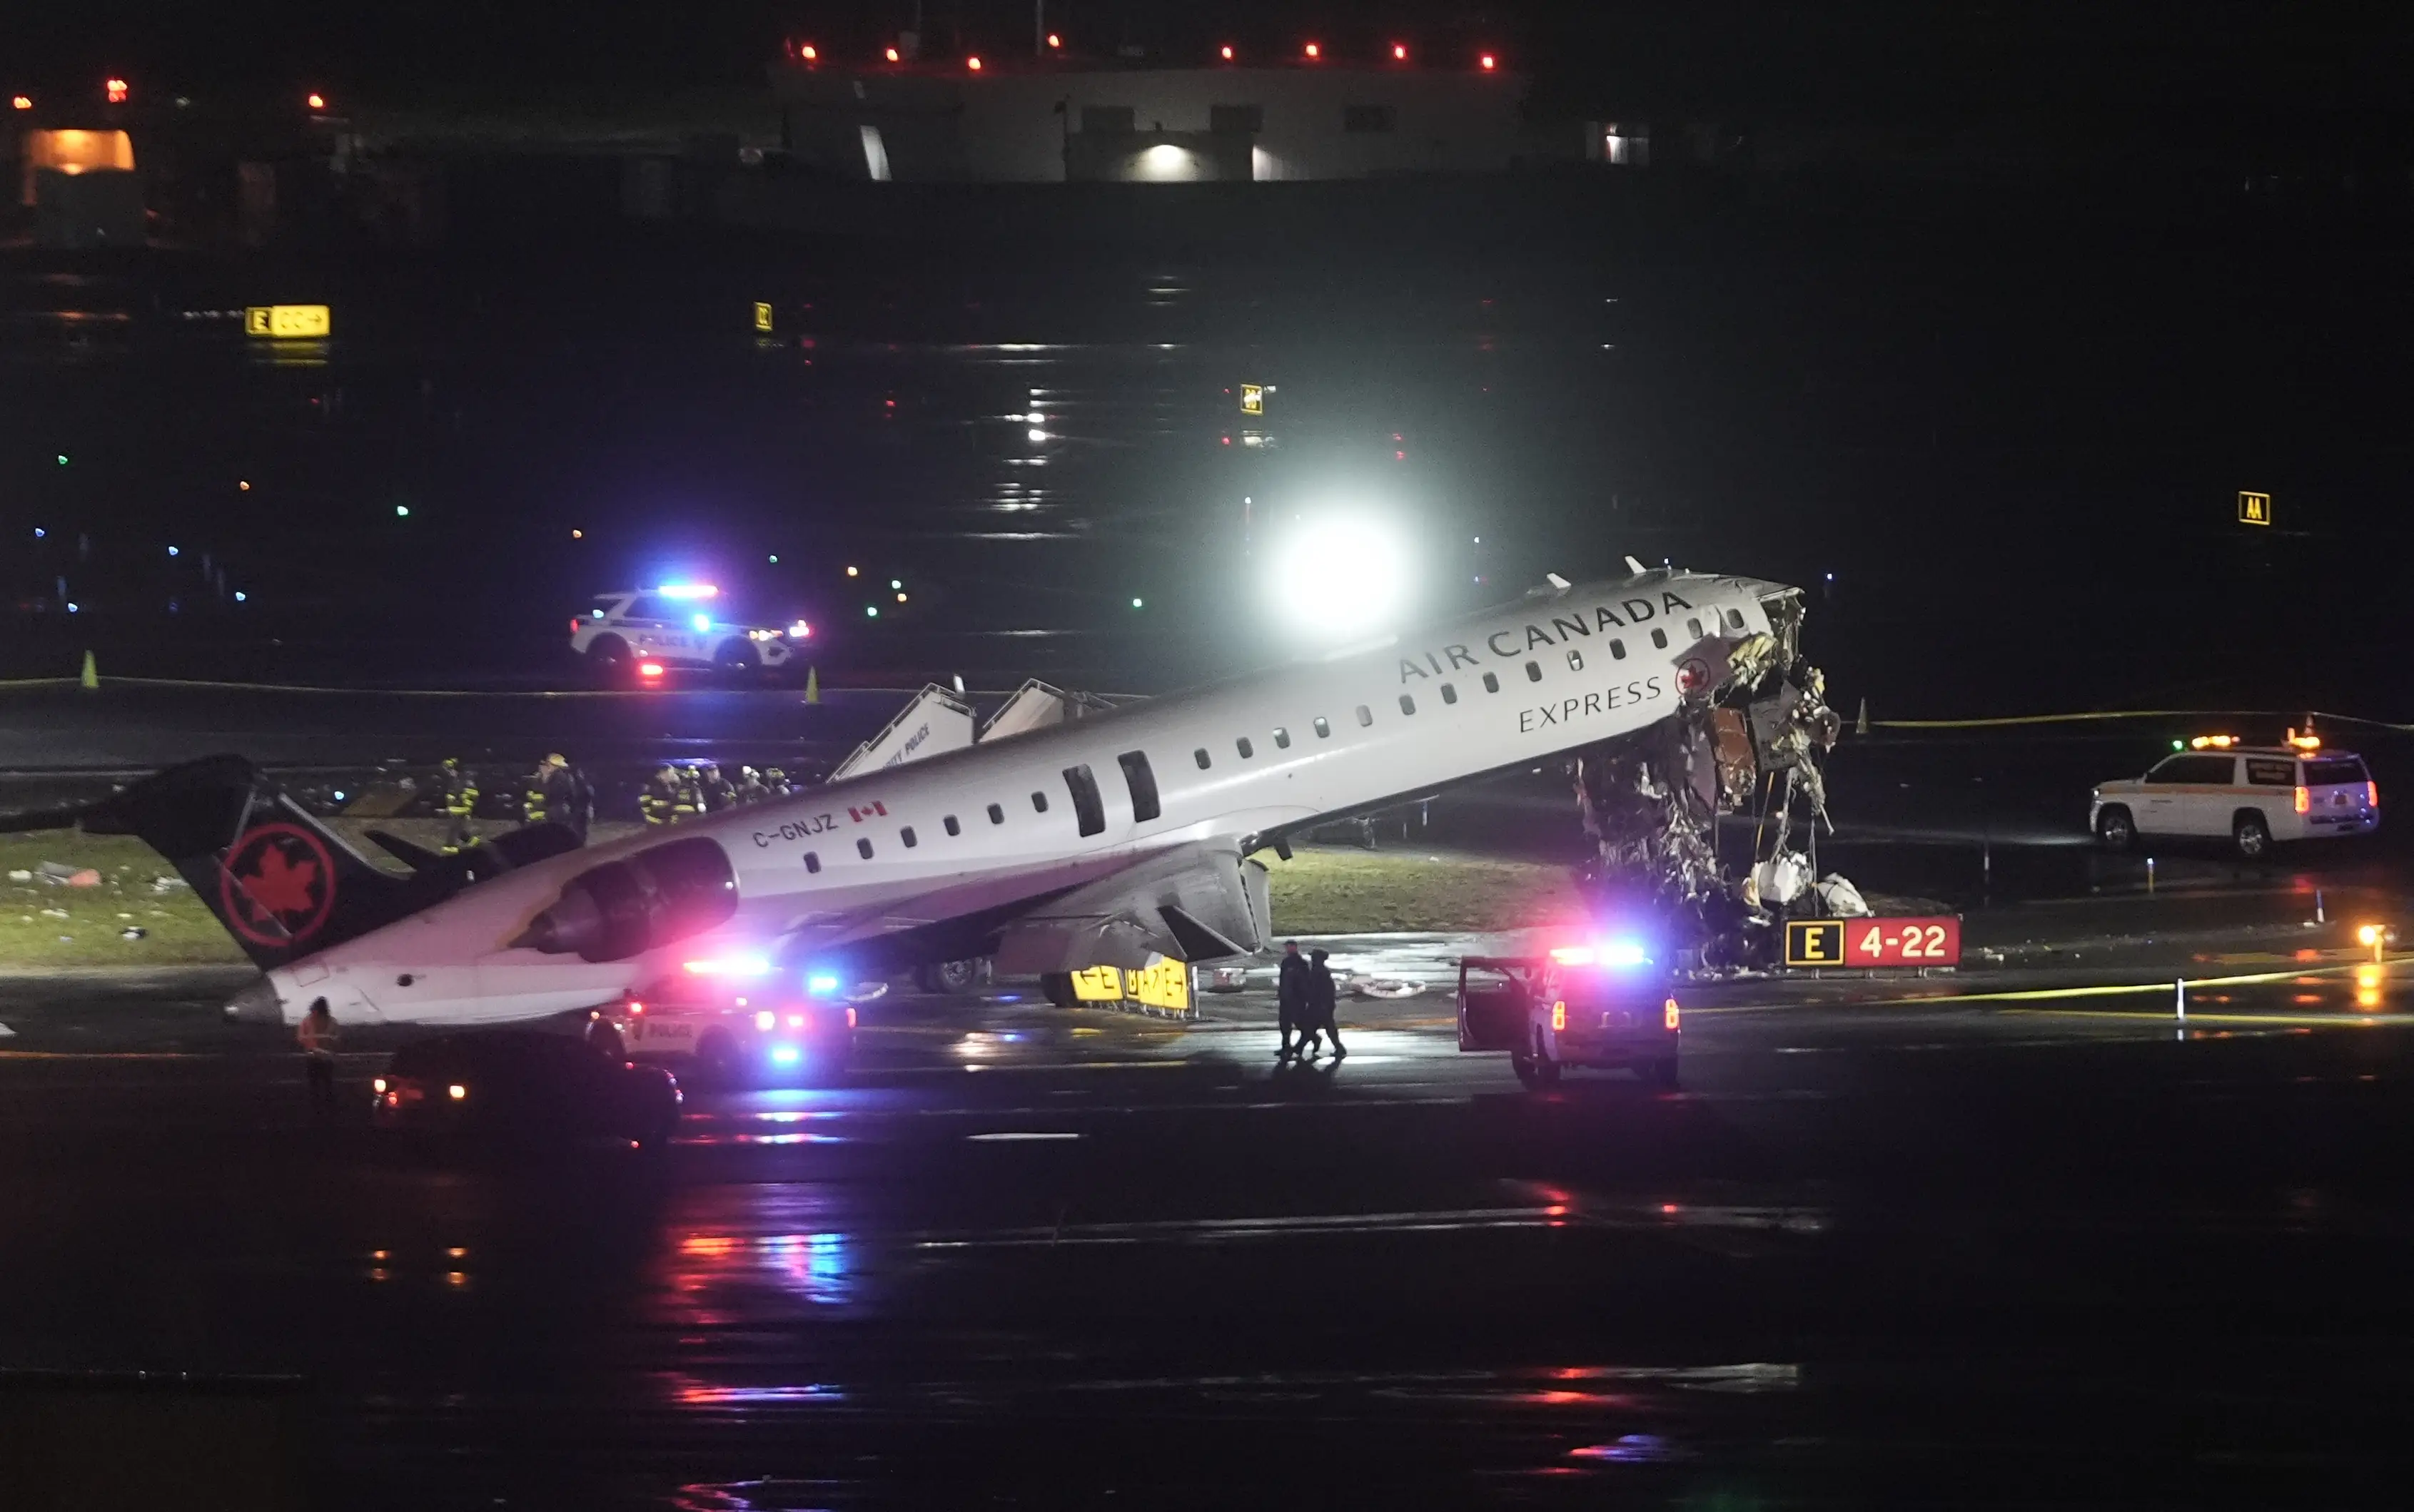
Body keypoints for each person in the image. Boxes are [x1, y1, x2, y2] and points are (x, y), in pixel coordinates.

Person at [297, 998, 340, 1122]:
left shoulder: (330, 1022)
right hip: (317, 1058)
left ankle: (323, 1109)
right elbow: (301, 1037)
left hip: (321, 1058)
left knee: (324, 1084)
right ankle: (321, 1109)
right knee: (320, 1084)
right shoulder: (310, 1022)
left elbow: (301, 1038)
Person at [1300, 948, 1345, 1061]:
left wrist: (1323, 1004)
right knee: (1325, 1028)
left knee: (1310, 1027)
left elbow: (1324, 990)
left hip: (1319, 1005)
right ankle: (1339, 1048)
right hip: (1321, 1004)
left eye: (1314, 957)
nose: (1312, 959)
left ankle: (1299, 1048)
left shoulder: (1319, 972)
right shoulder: (1319, 971)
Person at [1274, 940, 1310, 1062]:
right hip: (1286, 999)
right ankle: (1286, 1047)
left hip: (1296, 999)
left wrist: (1304, 997)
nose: (1287, 949)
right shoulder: (1286, 962)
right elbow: (1283, 979)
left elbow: (1304, 982)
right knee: (1284, 1024)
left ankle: (1312, 1038)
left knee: (1299, 1023)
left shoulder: (1301, 964)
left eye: (1289, 947)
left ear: (1295, 947)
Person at [437, 757, 478, 853]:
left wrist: (448, 811)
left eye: (449, 769)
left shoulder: (463, 783)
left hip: (460, 812)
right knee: (460, 831)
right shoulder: (454, 781)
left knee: (453, 831)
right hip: (456, 811)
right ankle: (475, 844)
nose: (446, 772)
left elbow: (465, 803)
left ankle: (450, 851)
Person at [640, 763, 681, 827]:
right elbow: (644, 805)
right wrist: (656, 821)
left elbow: (672, 804)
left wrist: (673, 818)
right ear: (663, 773)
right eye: (670, 774)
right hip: (655, 825)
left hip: (667, 824)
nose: (672, 777)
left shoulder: (668, 786)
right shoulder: (651, 785)